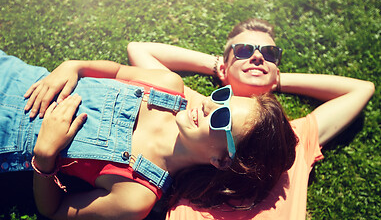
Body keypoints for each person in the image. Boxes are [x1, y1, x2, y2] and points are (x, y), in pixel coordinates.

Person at [0, 49, 298, 220]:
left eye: (221, 117)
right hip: (12, 73)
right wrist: (73, 66)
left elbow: (54, 211)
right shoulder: (167, 85)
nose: (207, 104)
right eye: (221, 98)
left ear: (221, 160)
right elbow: (116, 72)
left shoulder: (137, 195)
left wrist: (45, 156)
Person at [126, 18, 375, 219]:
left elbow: (361, 89)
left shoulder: (291, 138)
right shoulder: (196, 113)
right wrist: (219, 66)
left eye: (269, 54)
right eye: (244, 51)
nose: (257, 57)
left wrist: (276, 78)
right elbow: (139, 50)